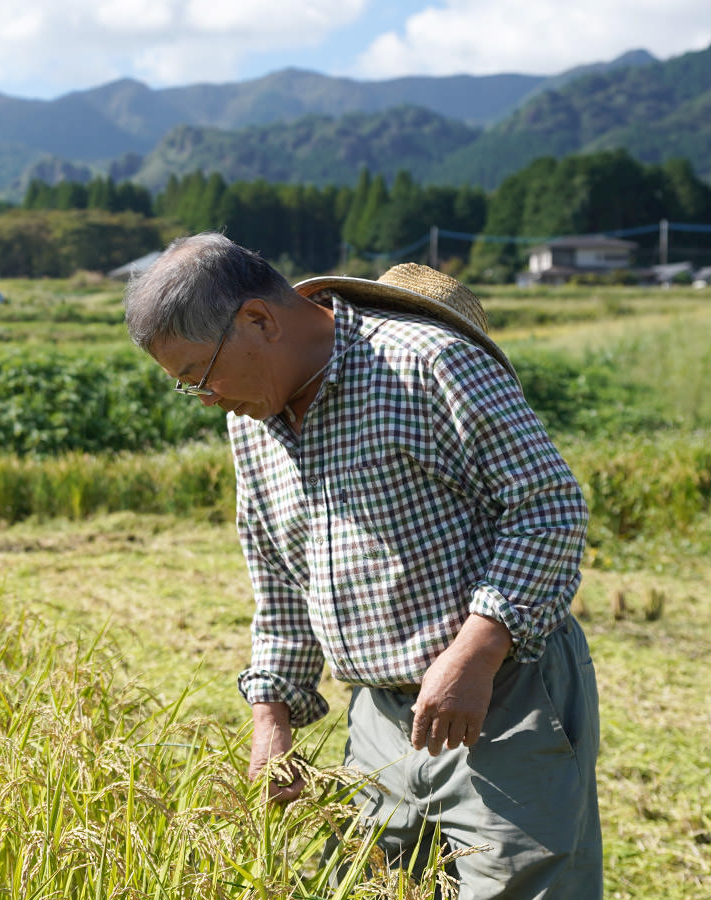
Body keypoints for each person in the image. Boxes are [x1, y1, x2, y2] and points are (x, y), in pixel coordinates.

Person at [123, 233, 601, 898]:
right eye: (185, 386)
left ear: (259, 320)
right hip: (378, 716)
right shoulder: (252, 423)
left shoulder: (428, 364)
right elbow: (279, 578)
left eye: (202, 375)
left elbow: (547, 508)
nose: (204, 398)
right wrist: (272, 716)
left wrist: (476, 653)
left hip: (502, 692)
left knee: (520, 883)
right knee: (379, 886)